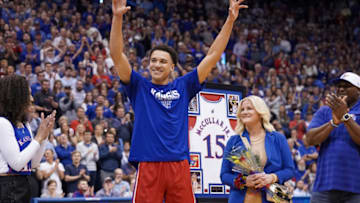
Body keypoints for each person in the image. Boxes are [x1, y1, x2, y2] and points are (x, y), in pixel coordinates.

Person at [109, 0, 247, 202]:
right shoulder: (138, 85)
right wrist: (117, 17)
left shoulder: (183, 85)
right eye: (153, 60)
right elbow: (116, 55)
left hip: (179, 165)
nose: (157, 65)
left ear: (172, 67)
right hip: (149, 164)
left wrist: (230, 21)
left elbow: (212, 55)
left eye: (163, 61)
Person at [220, 95, 295, 203]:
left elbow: (290, 170)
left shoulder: (278, 139)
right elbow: (224, 175)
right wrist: (244, 181)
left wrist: (272, 177)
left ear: (260, 112)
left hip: (272, 199)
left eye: (249, 108)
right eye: (242, 110)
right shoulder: (234, 141)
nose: (244, 112)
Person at [305, 72, 360, 203]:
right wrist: (333, 122)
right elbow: (310, 139)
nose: (341, 89)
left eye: (347, 86)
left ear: (358, 90)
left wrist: (345, 118)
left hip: (356, 187)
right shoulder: (325, 111)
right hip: (324, 185)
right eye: (339, 86)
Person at [0, 75, 56, 202]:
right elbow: (17, 163)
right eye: (28, 94)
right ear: (16, 96)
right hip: (6, 185)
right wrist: (38, 138)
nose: (31, 98)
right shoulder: (2, 123)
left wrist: (44, 137)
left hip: (23, 183)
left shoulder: (25, 125)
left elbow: (34, 163)